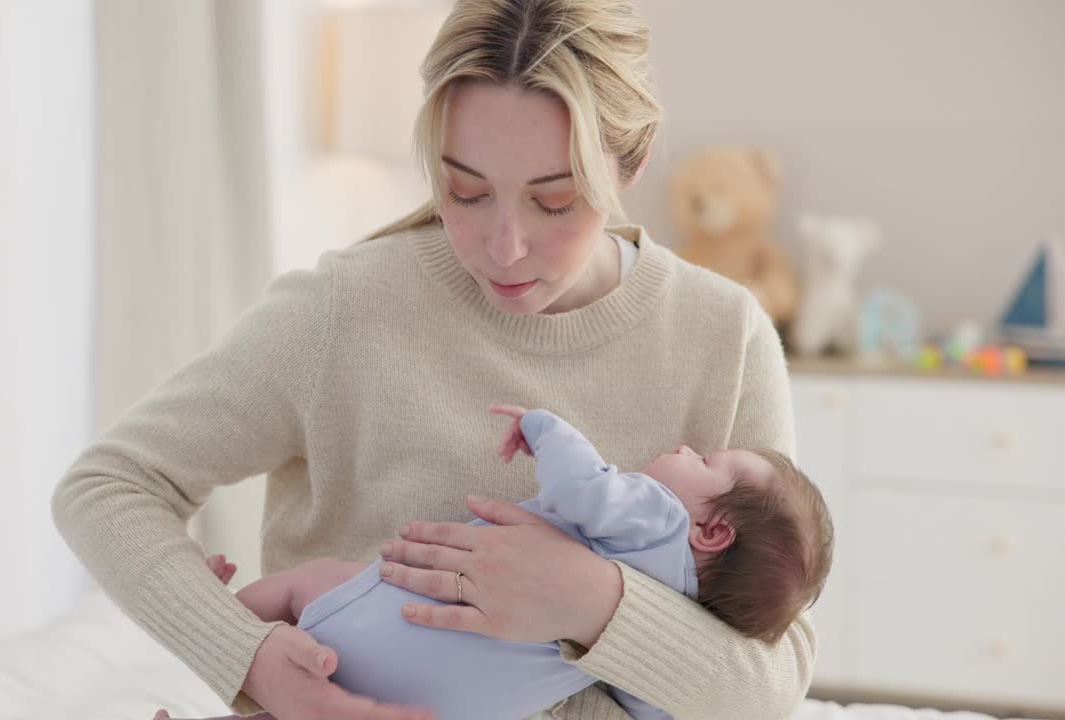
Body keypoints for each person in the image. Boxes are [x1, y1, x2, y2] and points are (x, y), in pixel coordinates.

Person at [52, 2, 817, 718]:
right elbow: (107, 486)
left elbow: (775, 681)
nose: (504, 247)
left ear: (634, 159)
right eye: (465, 190)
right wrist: (245, 657)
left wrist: (592, 598)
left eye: (554, 200)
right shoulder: (346, 309)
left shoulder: (724, 335)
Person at [151, 406, 834, 720]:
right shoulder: (683, 623)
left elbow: (581, 485)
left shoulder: (656, 515)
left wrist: (544, 426)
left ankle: (225, 619)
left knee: (308, 585)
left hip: (396, 614)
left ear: (711, 531)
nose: (689, 448)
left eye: (708, 463)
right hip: (434, 704)